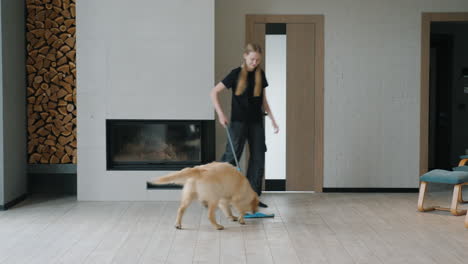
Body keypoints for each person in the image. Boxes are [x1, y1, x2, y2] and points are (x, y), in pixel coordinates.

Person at [210, 43, 279, 208]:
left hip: (256, 123)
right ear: (245, 56)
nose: (255, 62)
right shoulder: (235, 74)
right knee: (231, 158)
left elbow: (263, 100)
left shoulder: (260, 74)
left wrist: (272, 120)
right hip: (238, 123)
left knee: (258, 158)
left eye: (258, 60)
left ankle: (252, 198)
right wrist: (221, 114)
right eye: (252, 59)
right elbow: (214, 92)